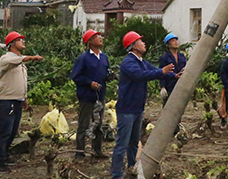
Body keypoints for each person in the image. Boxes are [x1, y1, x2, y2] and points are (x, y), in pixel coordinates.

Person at [110, 31, 178, 179]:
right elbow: (141, 75)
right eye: (141, 41)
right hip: (126, 109)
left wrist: (173, 75)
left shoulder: (141, 61)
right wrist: (161, 71)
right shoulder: (128, 62)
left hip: (137, 108)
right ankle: (116, 175)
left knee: (134, 143)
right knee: (122, 144)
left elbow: (154, 71)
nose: (144, 43)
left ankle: (132, 170)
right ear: (134, 46)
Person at [0, 31, 44, 173]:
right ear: (12, 44)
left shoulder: (20, 61)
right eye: (20, 40)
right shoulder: (6, 58)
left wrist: (24, 97)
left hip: (17, 100)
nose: (23, 42)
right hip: (6, 101)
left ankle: (5, 155)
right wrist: (31, 57)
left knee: (13, 131)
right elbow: (15, 61)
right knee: (5, 131)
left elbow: (22, 81)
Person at [71, 29, 110, 159]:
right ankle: (80, 152)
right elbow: (76, 76)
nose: (100, 38)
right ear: (90, 42)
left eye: (100, 35)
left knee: (98, 123)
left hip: (100, 96)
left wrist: (109, 77)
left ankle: (97, 150)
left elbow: (105, 73)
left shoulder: (104, 57)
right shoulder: (83, 58)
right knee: (84, 124)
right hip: (87, 96)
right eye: (96, 36)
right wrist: (89, 83)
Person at [158, 33, 186, 105]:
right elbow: (162, 72)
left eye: (176, 40)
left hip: (180, 85)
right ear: (168, 44)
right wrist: (162, 87)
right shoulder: (165, 58)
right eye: (173, 41)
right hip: (169, 85)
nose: (176, 42)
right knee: (168, 106)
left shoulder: (182, 56)